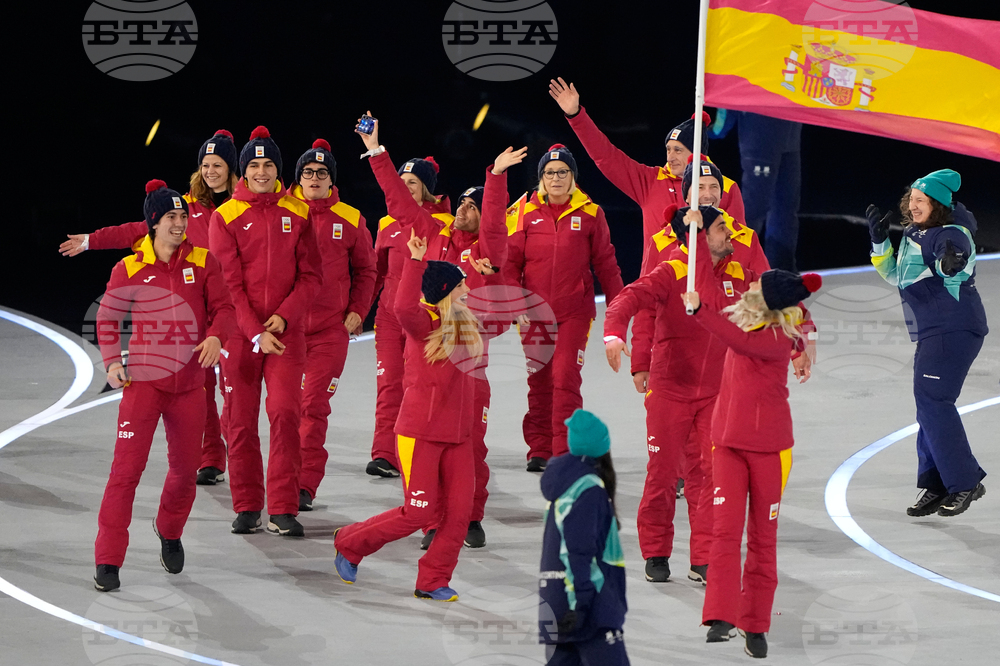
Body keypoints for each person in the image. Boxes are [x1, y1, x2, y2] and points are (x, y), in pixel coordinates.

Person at [59, 129, 240, 486]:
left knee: (234, 393)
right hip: (197, 314)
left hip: (236, 312)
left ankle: (241, 454)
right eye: (205, 165)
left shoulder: (246, 203)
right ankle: (211, 457)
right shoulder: (184, 209)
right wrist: (92, 240)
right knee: (201, 387)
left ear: (232, 169)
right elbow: (137, 230)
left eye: (217, 165)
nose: (210, 172)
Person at [333, 230, 500, 601]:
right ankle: (349, 542)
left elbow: (497, 312)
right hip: (420, 434)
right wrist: (413, 261)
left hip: (458, 437)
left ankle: (433, 580)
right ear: (444, 292)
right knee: (418, 513)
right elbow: (403, 306)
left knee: (458, 515)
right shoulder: (423, 326)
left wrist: (487, 274)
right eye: (461, 287)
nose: (468, 291)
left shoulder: (470, 326)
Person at [93, 180, 236, 592]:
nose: (180, 224)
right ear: (153, 223)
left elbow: (224, 308)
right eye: (171, 218)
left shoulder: (205, 262)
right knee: (125, 473)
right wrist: (110, 362)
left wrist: (216, 335)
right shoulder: (130, 268)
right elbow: (106, 319)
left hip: (190, 387)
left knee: (184, 473)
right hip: (143, 385)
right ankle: (107, 558)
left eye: (183, 217)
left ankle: (169, 530)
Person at [604, 200, 752, 586]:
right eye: (721, 229)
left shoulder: (738, 273)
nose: (730, 235)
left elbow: (779, 298)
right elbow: (628, 300)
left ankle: (702, 558)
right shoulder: (672, 272)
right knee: (663, 476)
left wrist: (804, 339)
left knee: (708, 476)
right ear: (701, 235)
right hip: (670, 391)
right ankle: (656, 550)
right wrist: (614, 334)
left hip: (716, 395)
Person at [681, 267, 821, 659]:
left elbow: (738, 341)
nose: (750, 286)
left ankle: (756, 624)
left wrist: (699, 312)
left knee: (762, 538)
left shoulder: (776, 340)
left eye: (758, 285)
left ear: (770, 300)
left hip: (769, 452)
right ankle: (721, 616)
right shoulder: (753, 320)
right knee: (725, 533)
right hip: (727, 445)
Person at [209, 126, 322, 537]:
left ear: (278, 169)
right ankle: (247, 505)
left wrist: (286, 317)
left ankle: (283, 507)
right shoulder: (225, 217)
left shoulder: (299, 213)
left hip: (285, 336)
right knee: (239, 422)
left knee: (286, 414)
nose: (261, 171)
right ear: (244, 171)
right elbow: (228, 285)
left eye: (268, 164)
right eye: (253, 165)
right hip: (241, 336)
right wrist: (255, 331)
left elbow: (311, 277)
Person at [419, 146, 527, 551]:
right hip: (431, 360)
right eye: (462, 202)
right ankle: (432, 518)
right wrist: (375, 151)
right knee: (431, 444)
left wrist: (496, 176)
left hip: (471, 363)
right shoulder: (436, 238)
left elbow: (497, 224)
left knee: (470, 441)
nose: (463, 207)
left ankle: (470, 516)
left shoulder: (487, 254)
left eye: (472, 205)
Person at [868, 169, 988, 517]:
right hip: (935, 330)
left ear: (938, 205)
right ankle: (937, 483)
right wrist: (879, 241)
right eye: (912, 199)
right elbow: (894, 275)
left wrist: (953, 264)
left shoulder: (948, 233)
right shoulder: (914, 232)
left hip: (953, 328)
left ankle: (964, 482)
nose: (913, 204)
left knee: (934, 400)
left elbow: (954, 259)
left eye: (922, 200)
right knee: (928, 403)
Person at [506, 144, 624, 471]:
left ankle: (565, 453)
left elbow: (607, 265)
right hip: (534, 315)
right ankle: (540, 449)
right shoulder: (523, 211)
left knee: (565, 377)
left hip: (574, 313)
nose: (555, 178)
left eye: (562, 172)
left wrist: (619, 312)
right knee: (540, 380)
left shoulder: (591, 213)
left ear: (572, 176)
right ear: (540, 178)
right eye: (549, 173)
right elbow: (509, 263)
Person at [548, 77, 747, 262]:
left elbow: (739, 244)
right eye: (668, 149)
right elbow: (606, 157)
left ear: (696, 153)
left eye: (678, 150)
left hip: (706, 291)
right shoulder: (650, 181)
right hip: (657, 291)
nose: (670, 156)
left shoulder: (725, 188)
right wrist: (576, 116)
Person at [358, 113, 455, 479]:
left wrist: (376, 152)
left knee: (418, 385)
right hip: (388, 316)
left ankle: (418, 450)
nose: (404, 188)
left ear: (426, 188)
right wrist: (360, 312)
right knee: (389, 381)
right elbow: (377, 273)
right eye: (401, 182)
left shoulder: (440, 226)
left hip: (424, 318)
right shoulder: (386, 224)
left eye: (412, 183)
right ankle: (384, 452)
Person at [288, 138, 378, 511]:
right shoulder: (281, 212)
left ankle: (304, 484)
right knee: (284, 409)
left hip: (329, 332)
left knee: (313, 406)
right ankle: (281, 477)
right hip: (285, 329)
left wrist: (357, 310)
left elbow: (367, 269)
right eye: (308, 172)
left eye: (321, 173)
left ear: (331, 179)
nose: (314, 178)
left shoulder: (351, 218)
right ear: (299, 178)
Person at [538, 409, 628, 666]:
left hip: (556, 601)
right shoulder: (588, 490)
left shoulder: (563, 487)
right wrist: (582, 604)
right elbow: (577, 552)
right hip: (587, 606)